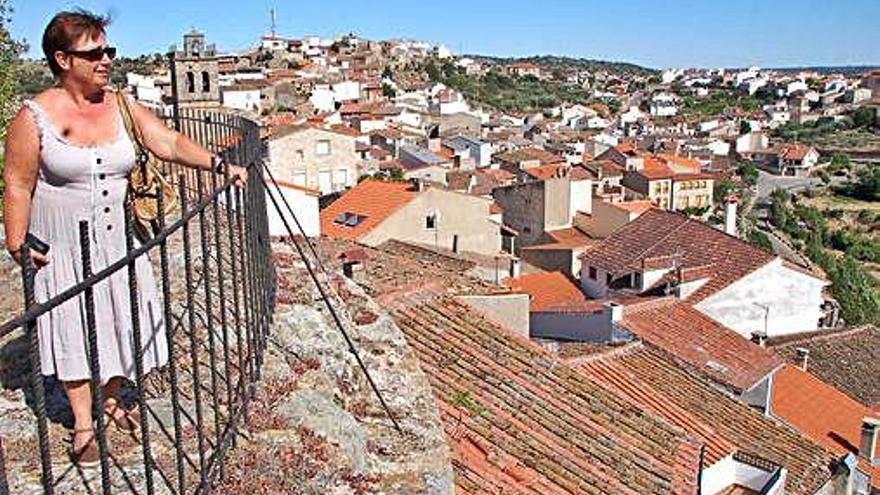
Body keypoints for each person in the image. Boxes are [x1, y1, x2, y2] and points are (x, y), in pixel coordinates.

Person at [2, 10, 247, 467]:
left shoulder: (121, 104)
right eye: (93, 53)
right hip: (63, 247)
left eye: (108, 51)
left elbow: (167, 142)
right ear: (62, 58)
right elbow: (17, 183)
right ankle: (81, 423)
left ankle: (112, 398)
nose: (106, 60)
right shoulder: (32, 118)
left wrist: (217, 165)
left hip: (119, 240)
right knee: (72, 325)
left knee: (120, 318)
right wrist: (18, 243)